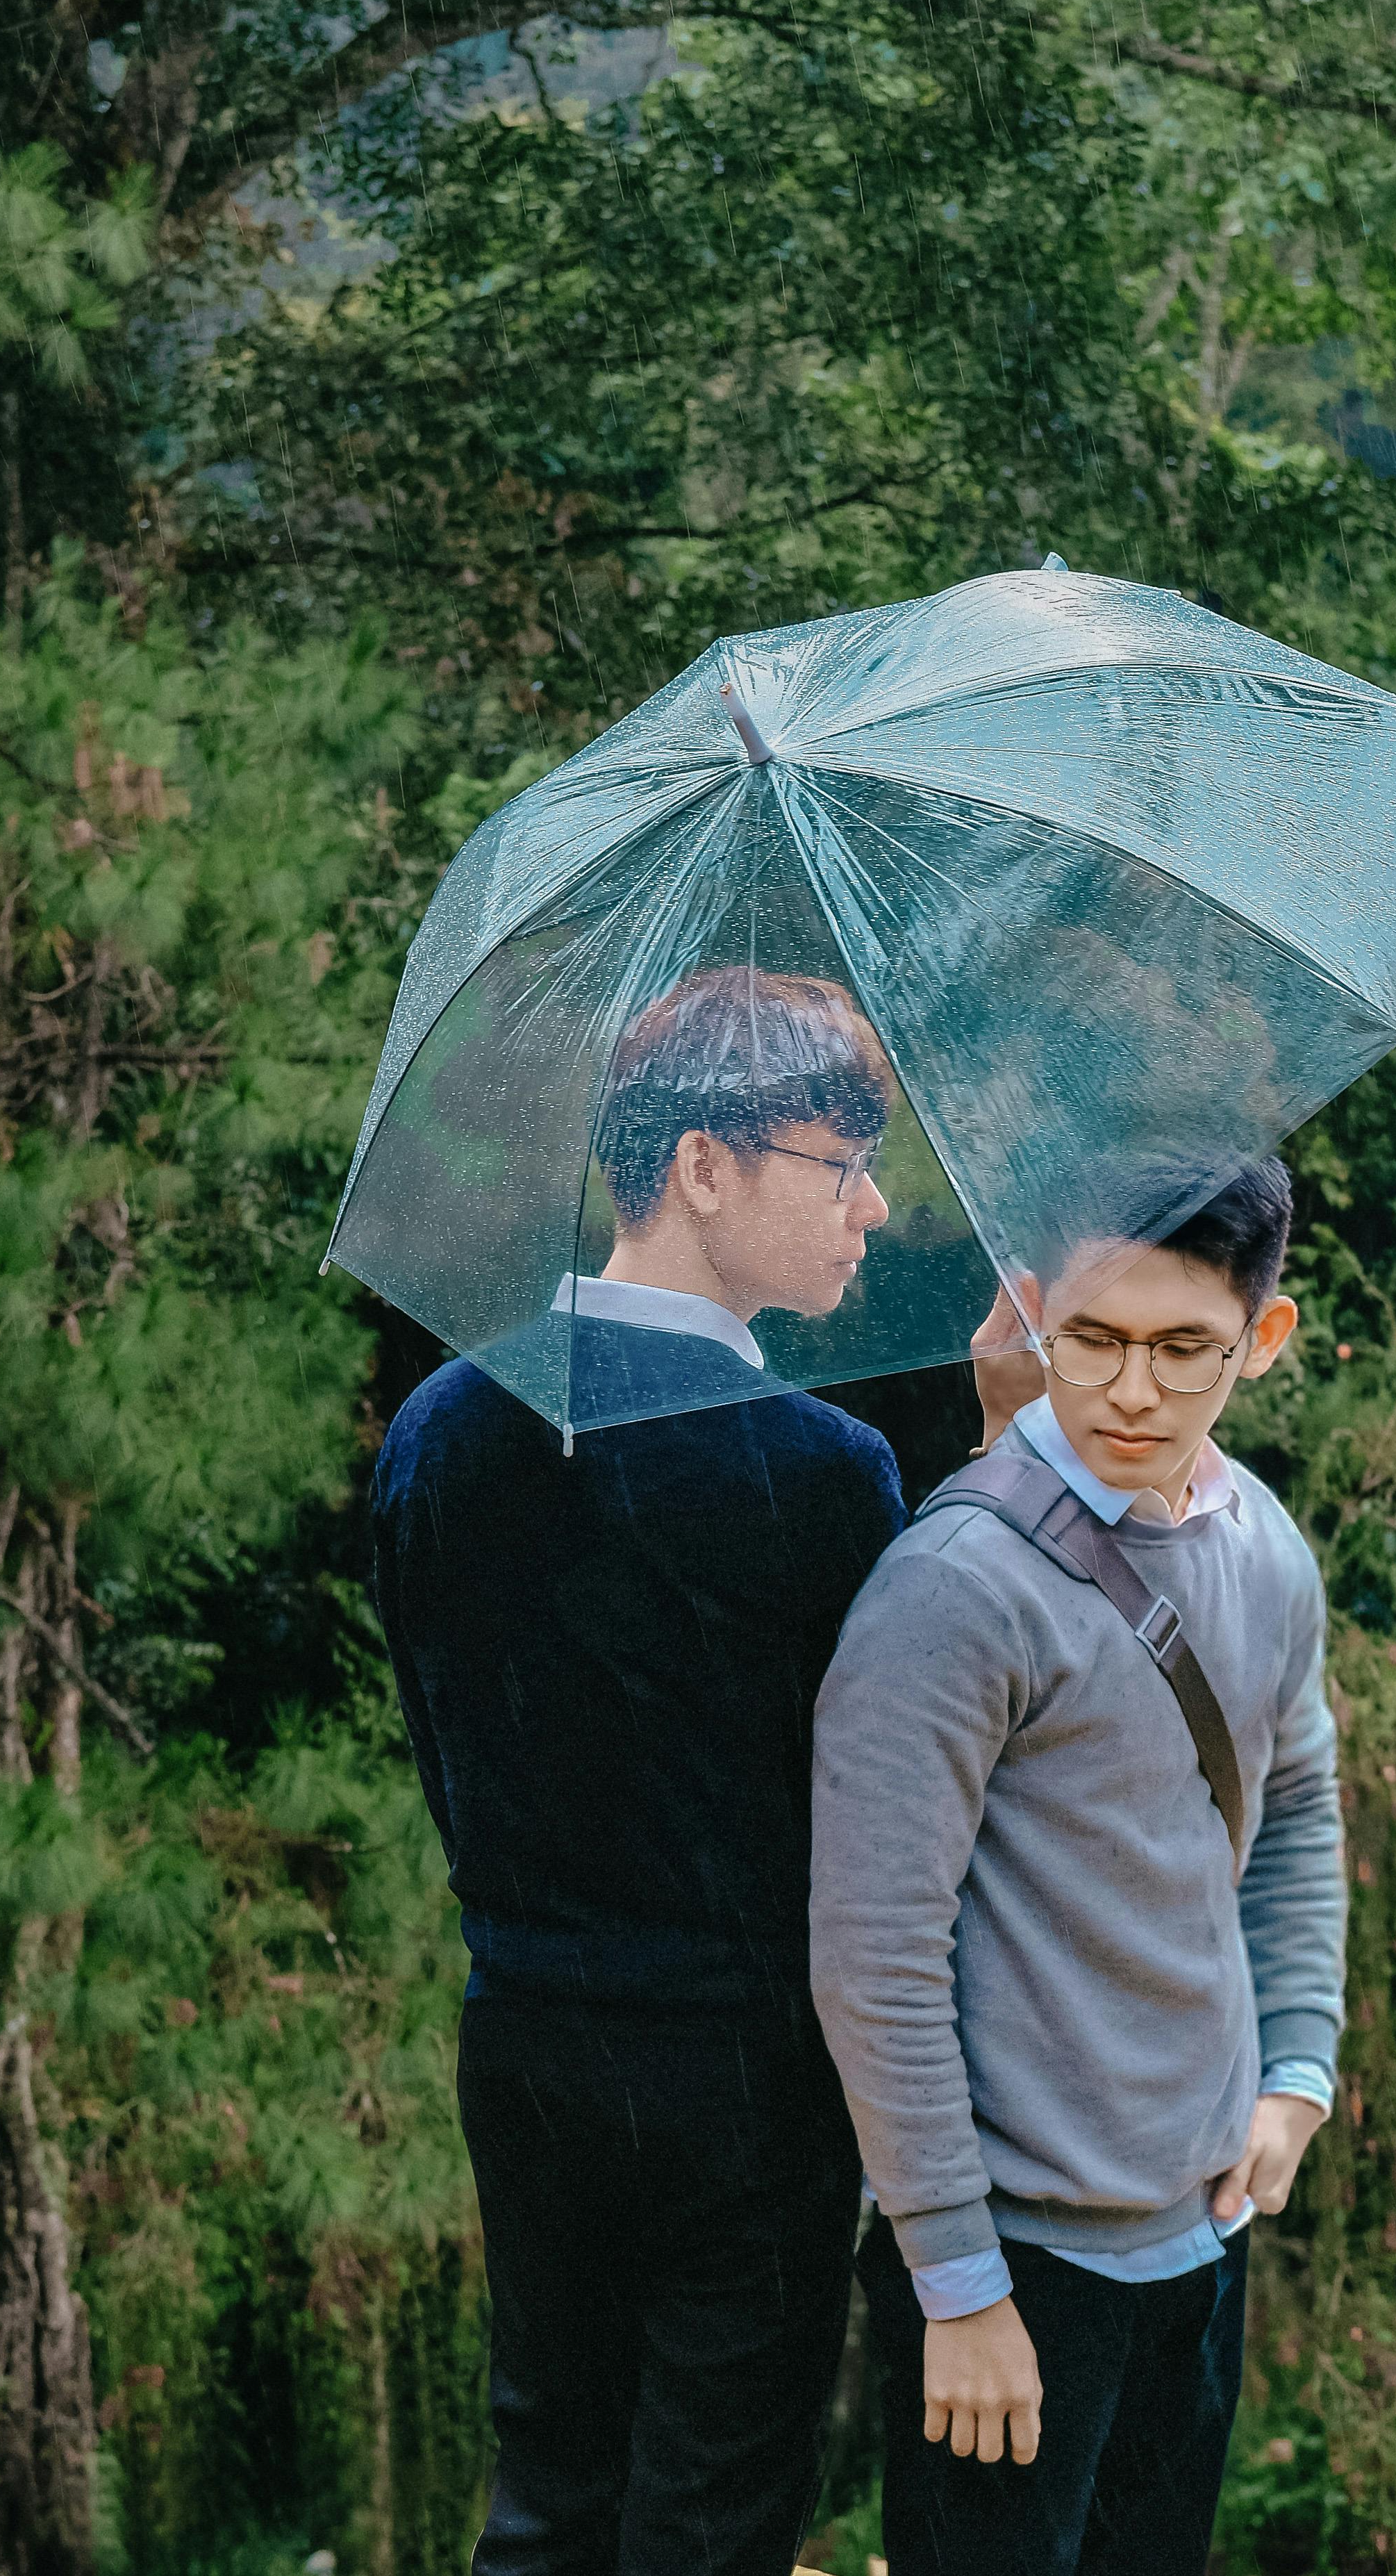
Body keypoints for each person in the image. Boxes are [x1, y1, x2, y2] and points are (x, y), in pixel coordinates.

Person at [372, 966, 909, 2576]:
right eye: (840, 1163)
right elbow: (880, 1825)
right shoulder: (821, 1473)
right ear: (702, 1166)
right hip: (742, 2078)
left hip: (523, 2041)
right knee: (711, 2524)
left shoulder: (437, 1428)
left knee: (547, 2502)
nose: (873, 1206)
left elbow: (443, 1746)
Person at [811, 1159, 1346, 2576]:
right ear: (1034, 1312)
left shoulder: (1266, 1549)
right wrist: (956, 2279)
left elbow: (1297, 1801)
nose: (1132, 1392)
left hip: (1202, 2230)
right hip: (1014, 2262)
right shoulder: (954, 1586)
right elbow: (873, 1954)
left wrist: (1296, 2066)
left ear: (1263, 1338)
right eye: (1094, 1339)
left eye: (1185, 1349)